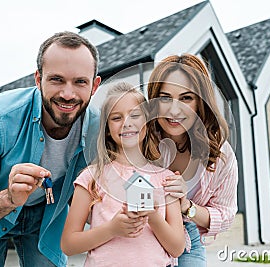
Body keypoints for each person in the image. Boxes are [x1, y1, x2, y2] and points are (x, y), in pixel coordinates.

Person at [0, 31, 101, 266]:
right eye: (57, 79)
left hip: (48, 217)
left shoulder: (101, 128)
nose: (68, 94)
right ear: (38, 79)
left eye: (80, 82)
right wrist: (9, 198)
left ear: (94, 85)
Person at [61, 82, 185, 267]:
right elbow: (68, 245)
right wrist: (112, 229)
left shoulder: (166, 179)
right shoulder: (91, 178)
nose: (127, 122)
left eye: (135, 115)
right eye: (116, 118)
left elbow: (177, 248)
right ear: (108, 130)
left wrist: (152, 215)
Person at [147, 54, 238, 266]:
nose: (174, 109)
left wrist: (187, 207)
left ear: (201, 102)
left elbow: (225, 215)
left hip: (188, 237)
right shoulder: (140, 139)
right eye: (165, 98)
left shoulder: (221, 155)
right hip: (143, 229)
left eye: (186, 98)